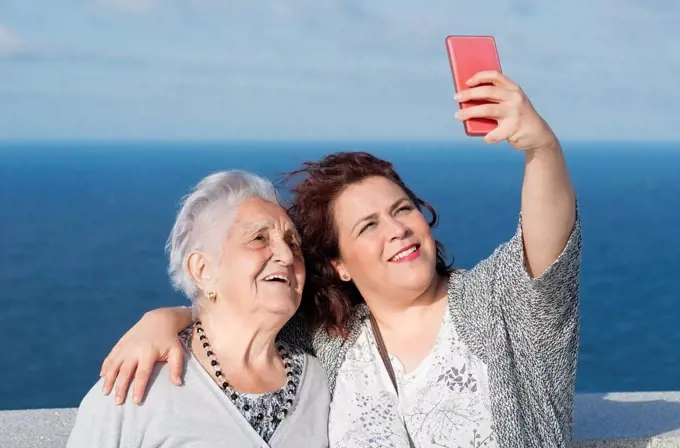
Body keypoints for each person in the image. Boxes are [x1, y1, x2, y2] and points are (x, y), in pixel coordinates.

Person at [98, 71, 581, 447]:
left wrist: (541, 147)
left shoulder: (497, 305)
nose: (396, 230)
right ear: (340, 265)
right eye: (368, 226)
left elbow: (546, 241)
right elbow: (243, 312)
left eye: (402, 209)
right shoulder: (332, 341)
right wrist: (165, 319)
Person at [67, 171, 330, 448]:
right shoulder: (137, 385)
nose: (287, 256)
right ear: (203, 270)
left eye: (293, 243)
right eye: (259, 238)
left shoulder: (318, 382)